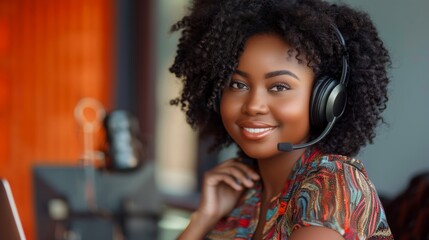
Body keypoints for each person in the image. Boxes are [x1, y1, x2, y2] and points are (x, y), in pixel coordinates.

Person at [169, 0, 393, 239]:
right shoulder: (244, 194)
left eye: (279, 87)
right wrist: (203, 218)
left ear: (325, 101)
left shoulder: (333, 184)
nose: (254, 105)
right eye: (237, 84)